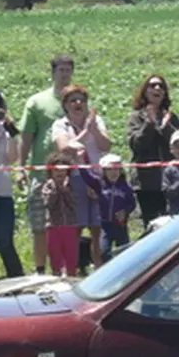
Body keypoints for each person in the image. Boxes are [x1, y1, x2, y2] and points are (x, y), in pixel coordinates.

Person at [17, 53, 74, 274]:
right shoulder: (37, 102)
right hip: (41, 174)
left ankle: (66, 269)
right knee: (40, 226)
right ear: (52, 73)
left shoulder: (78, 100)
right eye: (60, 70)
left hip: (70, 175)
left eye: (68, 70)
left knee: (67, 226)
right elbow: (27, 138)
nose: (65, 74)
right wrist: (21, 168)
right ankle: (40, 270)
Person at [51, 84, 112, 270]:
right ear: (66, 105)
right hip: (75, 179)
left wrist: (93, 130)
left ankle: (99, 267)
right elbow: (65, 149)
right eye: (73, 100)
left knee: (97, 227)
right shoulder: (60, 124)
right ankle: (71, 268)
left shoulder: (97, 121)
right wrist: (85, 131)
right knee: (75, 228)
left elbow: (106, 146)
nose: (78, 103)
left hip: (96, 178)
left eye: (81, 100)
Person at [126, 74, 179, 230]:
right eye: (152, 85)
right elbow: (137, 145)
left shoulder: (173, 118)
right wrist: (149, 124)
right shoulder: (135, 118)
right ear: (145, 92)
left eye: (161, 86)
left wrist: (166, 127)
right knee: (151, 225)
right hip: (146, 183)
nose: (157, 88)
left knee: (173, 224)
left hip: (172, 181)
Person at [0, 89, 23, 281]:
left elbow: (11, 158)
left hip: (2, 196)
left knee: (4, 242)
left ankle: (17, 280)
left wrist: (11, 131)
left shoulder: (5, 132)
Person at [41, 153, 80, 277]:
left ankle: (72, 275)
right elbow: (49, 203)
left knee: (71, 255)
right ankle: (56, 276)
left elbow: (74, 203)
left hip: (70, 225)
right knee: (55, 255)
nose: (60, 174)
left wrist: (65, 190)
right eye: (57, 170)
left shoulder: (72, 186)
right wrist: (56, 189)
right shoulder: (48, 186)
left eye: (63, 171)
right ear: (51, 171)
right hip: (53, 226)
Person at [92, 154, 135, 260]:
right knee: (104, 251)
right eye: (110, 170)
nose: (113, 172)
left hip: (121, 225)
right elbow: (88, 178)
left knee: (124, 251)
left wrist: (125, 211)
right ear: (104, 171)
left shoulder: (125, 187)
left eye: (116, 169)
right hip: (105, 225)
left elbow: (132, 203)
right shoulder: (101, 185)